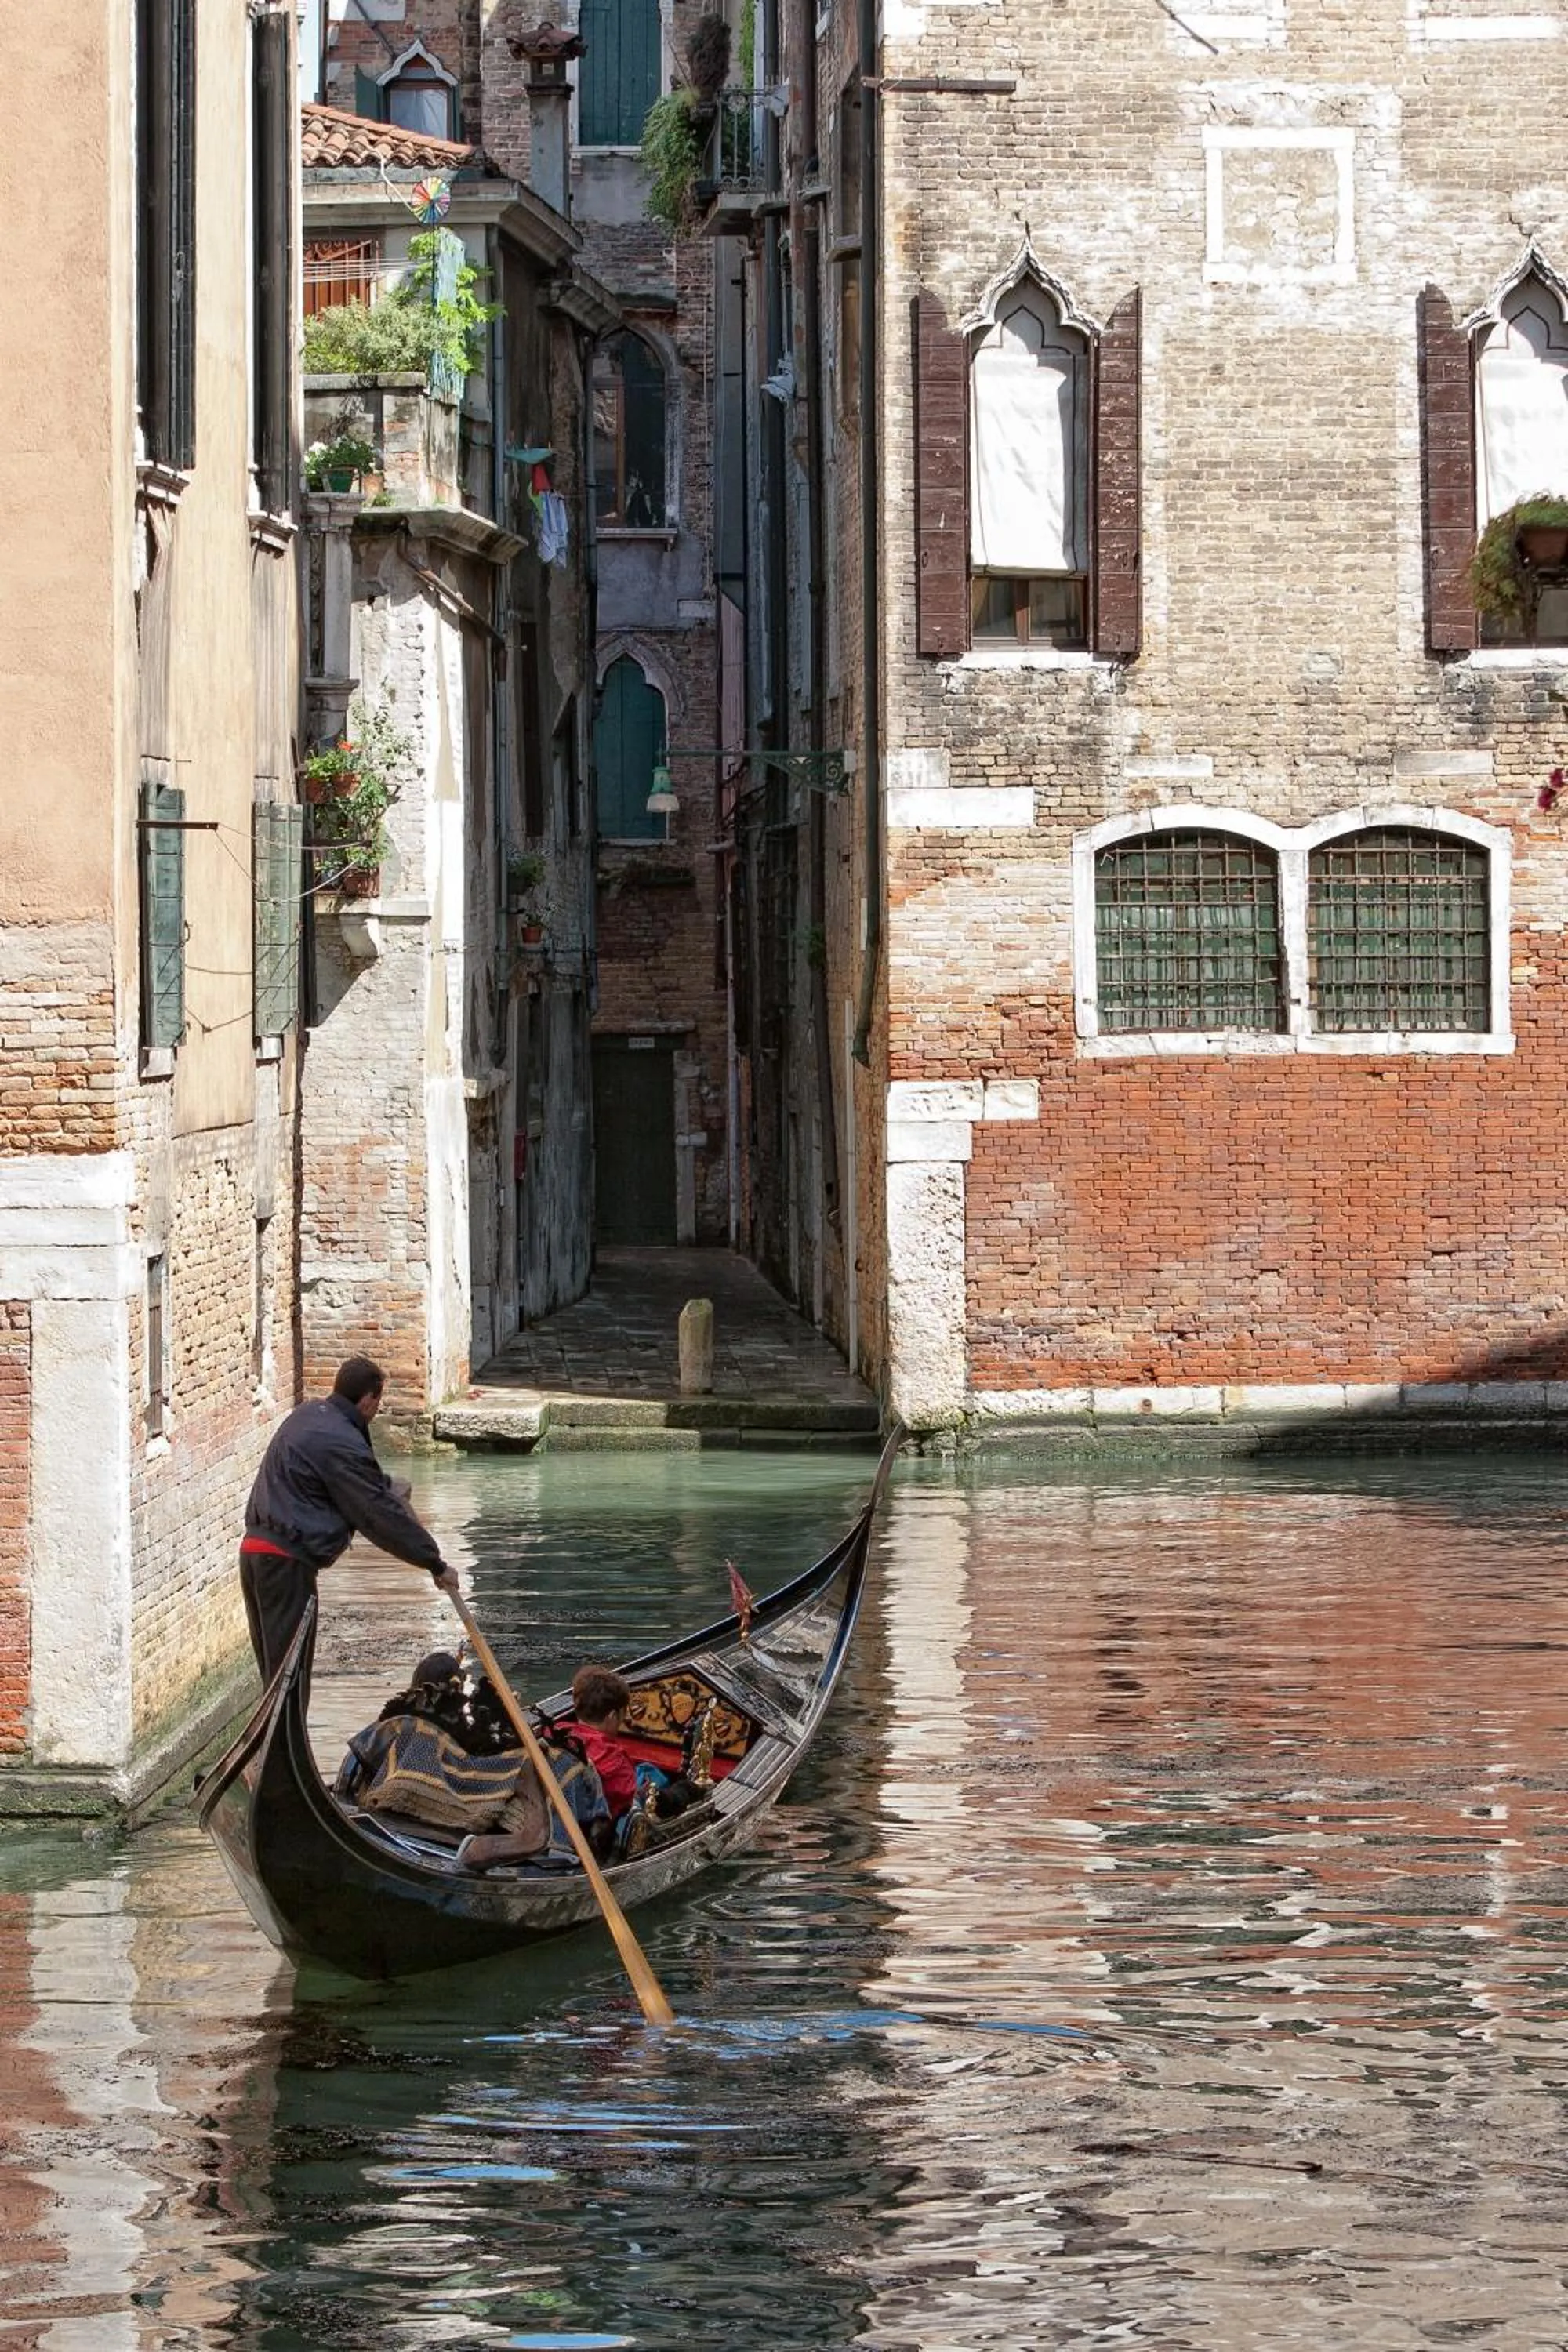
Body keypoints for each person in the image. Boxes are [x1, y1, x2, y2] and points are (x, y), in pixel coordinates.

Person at [240, 1356, 460, 1686]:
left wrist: (391, 1492)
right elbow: (376, 1514)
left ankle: (283, 1740)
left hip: (254, 1555)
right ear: (370, 1399)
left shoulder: (307, 1416)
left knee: (277, 1679)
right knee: (288, 1681)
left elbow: (363, 1488)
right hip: (285, 1566)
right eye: (379, 1401)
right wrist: (434, 1563)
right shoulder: (342, 1440)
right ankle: (285, 1739)